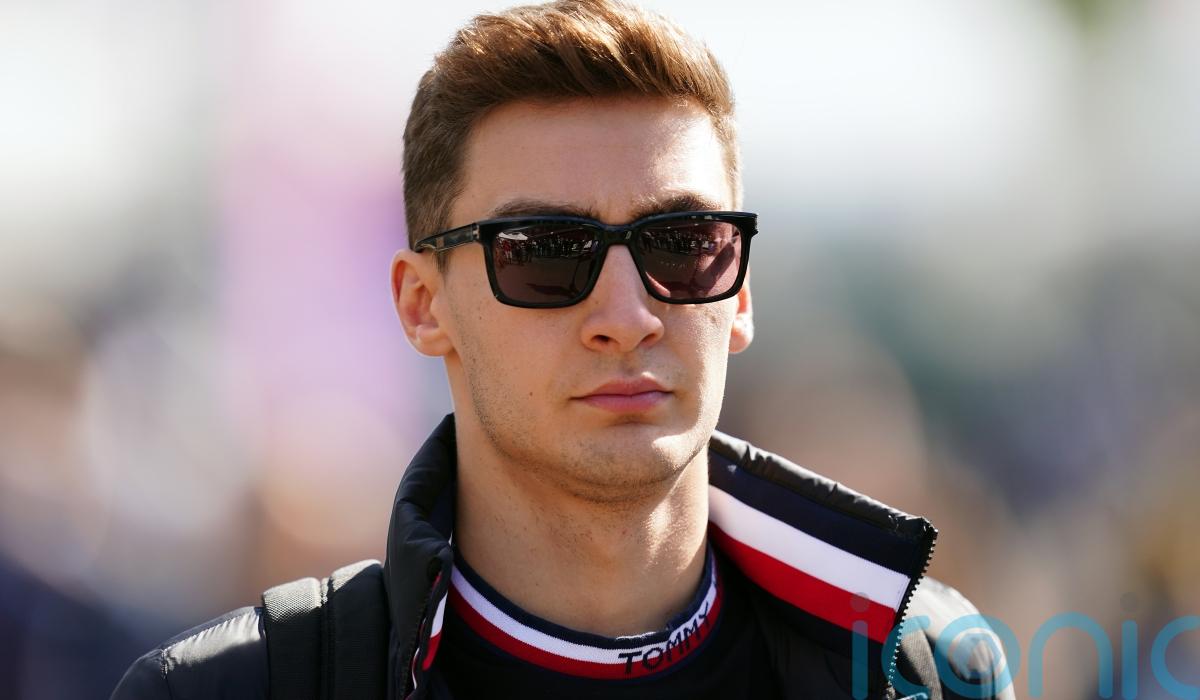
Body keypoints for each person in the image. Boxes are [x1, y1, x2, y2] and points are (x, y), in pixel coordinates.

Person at [112, 1, 1014, 698]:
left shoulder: (928, 667)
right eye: (545, 253)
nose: (627, 315)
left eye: (682, 245)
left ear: (740, 293)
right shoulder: (230, 691)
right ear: (423, 305)